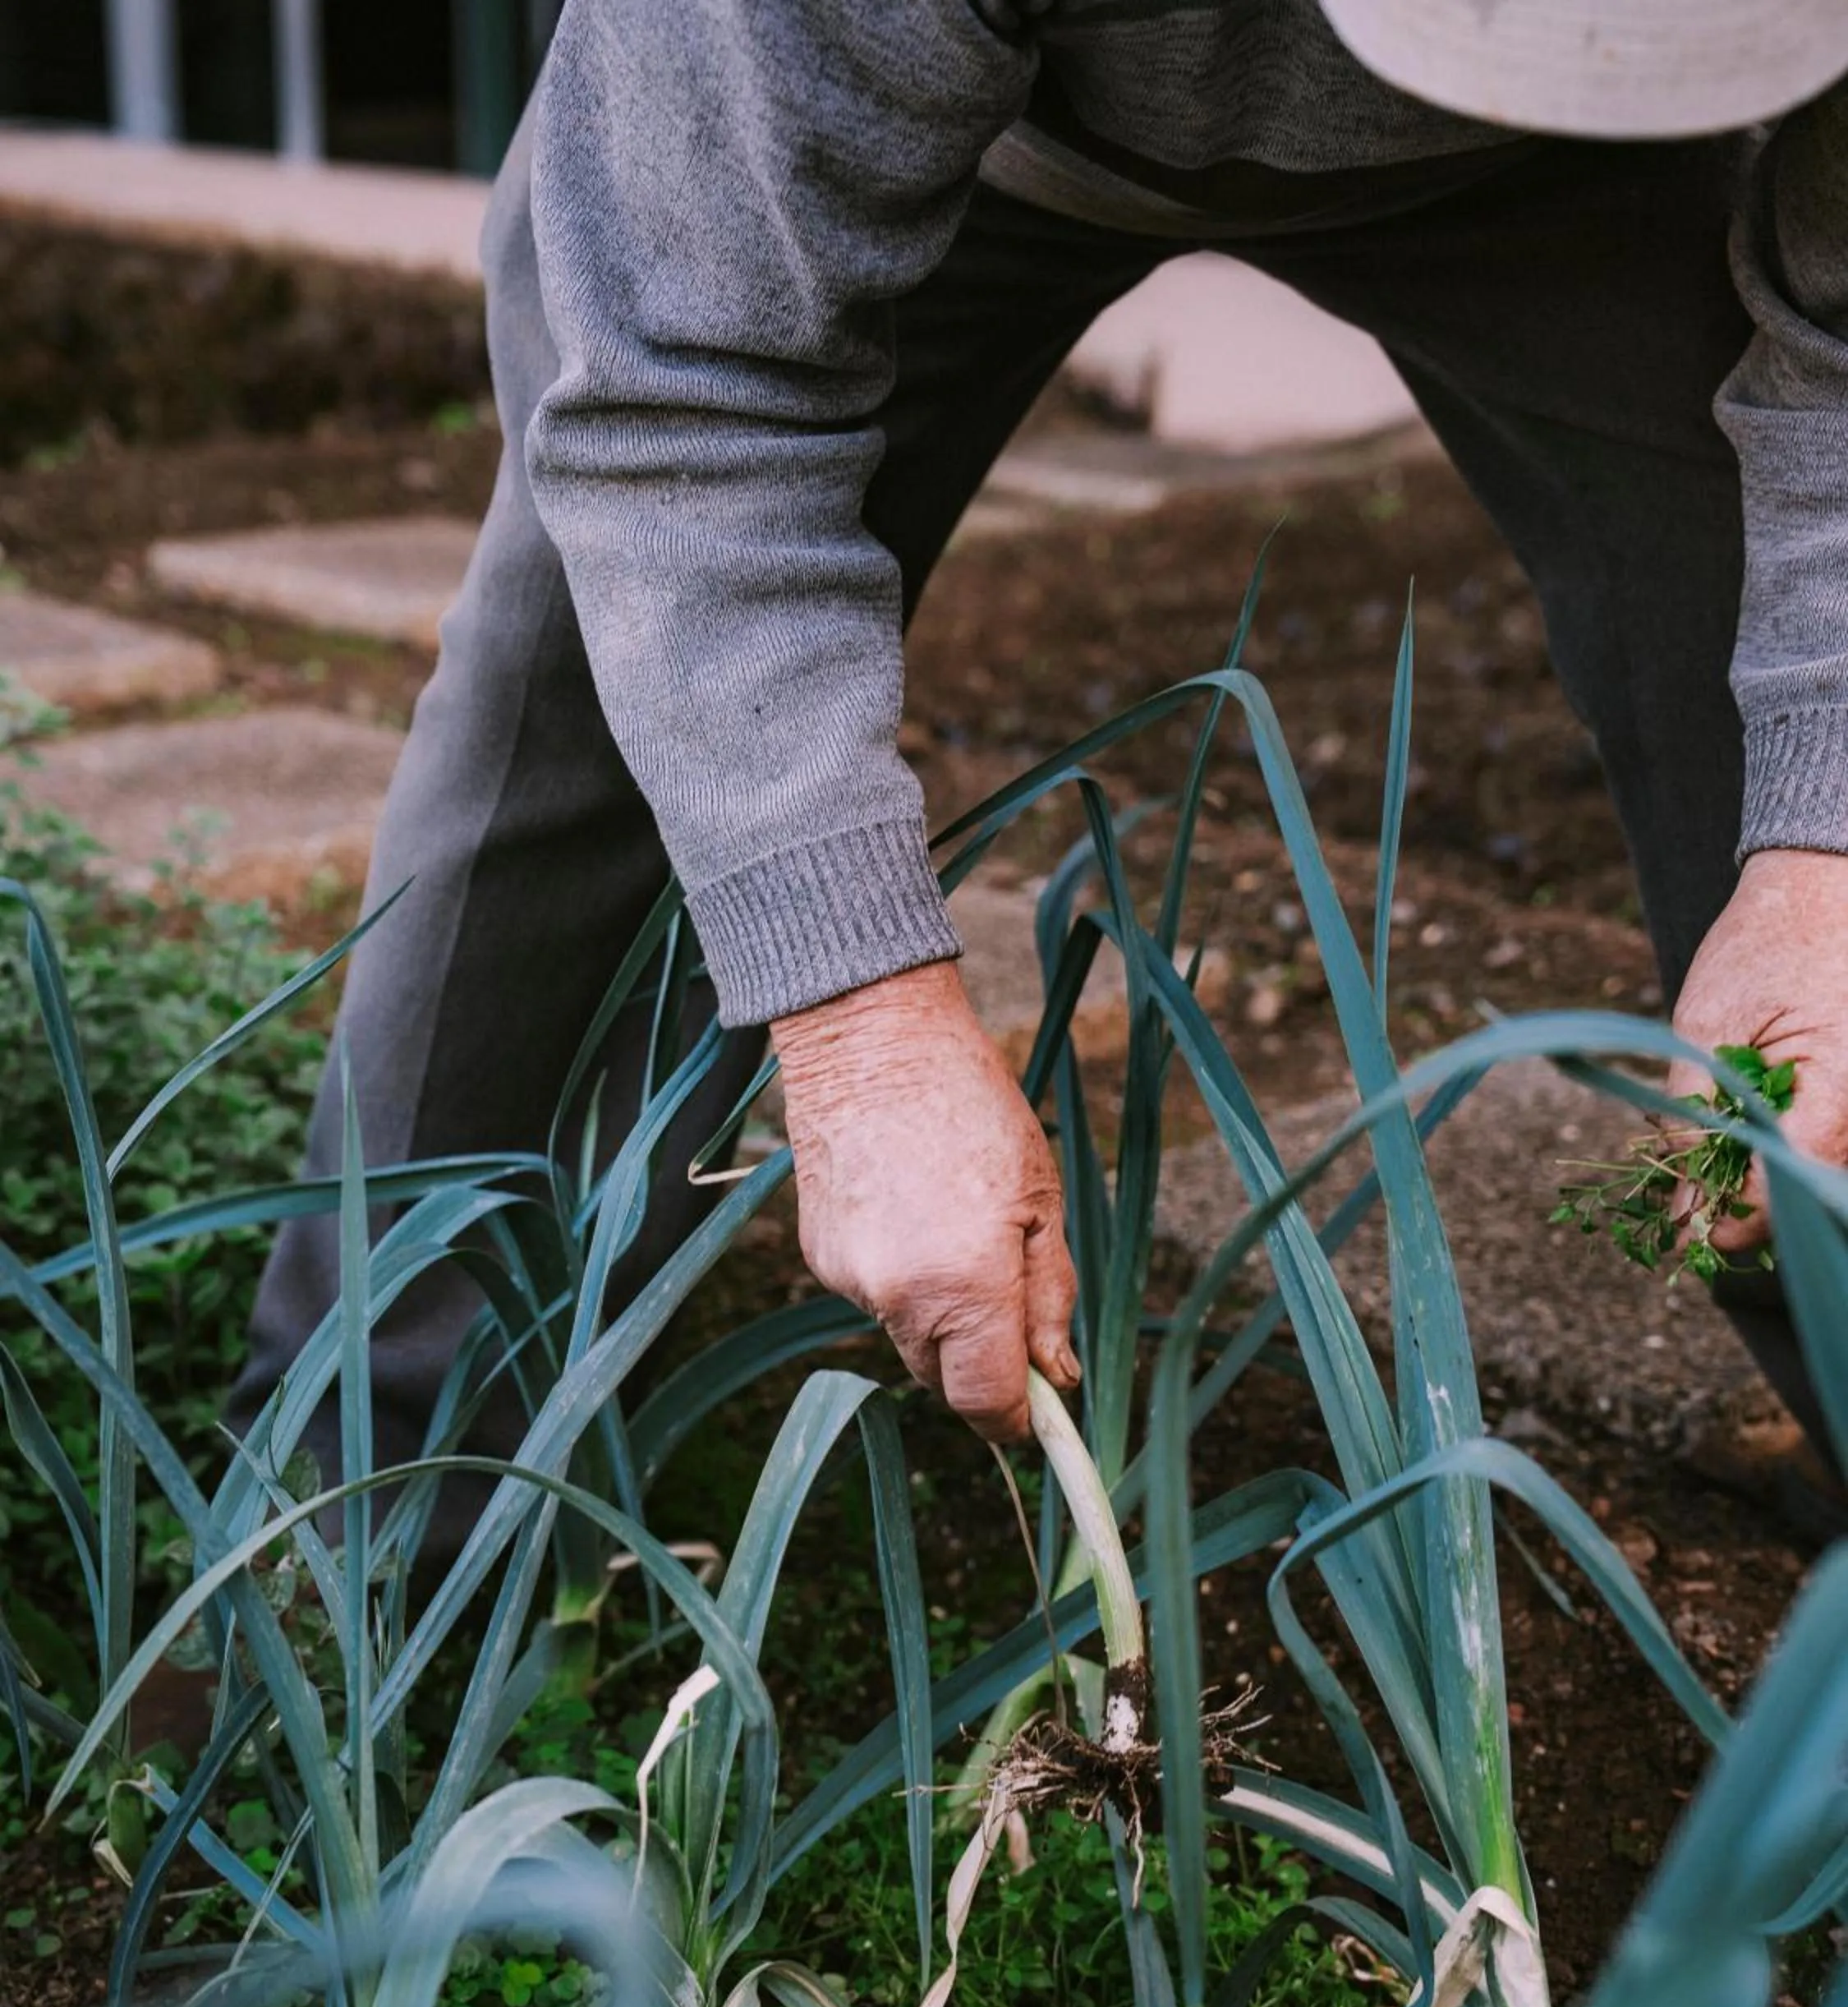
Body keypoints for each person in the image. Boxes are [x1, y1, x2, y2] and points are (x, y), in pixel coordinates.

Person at [232, 0, 1848, 1534]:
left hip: (1582, 178)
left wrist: (1827, 841)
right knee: (591, 698)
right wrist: (856, 1015)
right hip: (913, 141)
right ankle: (362, 1530)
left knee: (1791, 787)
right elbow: (679, 394)